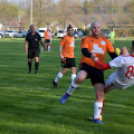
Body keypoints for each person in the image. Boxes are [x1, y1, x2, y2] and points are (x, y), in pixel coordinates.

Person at [60, 21, 117, 124]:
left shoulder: (106, 41)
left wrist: (121, 60)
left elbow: (113, 55)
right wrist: (91, 55)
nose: (96, 29)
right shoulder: (85, 39)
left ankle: (96, 118)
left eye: (98, 28)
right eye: (94, 28)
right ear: (91, 29)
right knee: (80, 77)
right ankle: (68, 93)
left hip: (98, 68)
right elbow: (84, 51)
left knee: (100, 94)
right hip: (86, 65)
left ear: (101, 29)